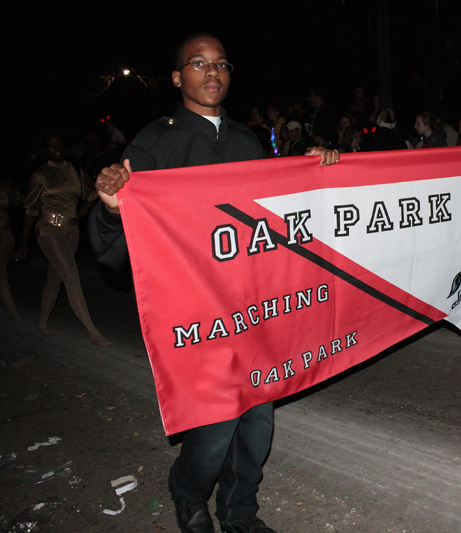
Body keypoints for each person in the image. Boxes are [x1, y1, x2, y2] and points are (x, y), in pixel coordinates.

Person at [91, 34, 339, 533]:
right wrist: (112, 210)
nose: (212, 72)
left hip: (254, 307)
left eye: (221, 63)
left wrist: (316, 169)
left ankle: (239, 513)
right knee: (214, 425)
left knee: (258, 422)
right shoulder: (154, 141)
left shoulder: (249, 142)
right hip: (195, 314)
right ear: (178, 77)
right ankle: (188, 496)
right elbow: (113, 251)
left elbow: (281, 215)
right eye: (198, 63)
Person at [13, 135, 108, 345]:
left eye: (59, 144)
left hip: (71, 231)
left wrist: (78, 217)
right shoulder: (41, 174)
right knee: (72, 277)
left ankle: (42, 322)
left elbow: (91, 196)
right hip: (49, 230)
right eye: (51, 145)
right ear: (45, 149)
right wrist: (23, 241)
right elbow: (32, 210)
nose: (56, 148)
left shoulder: (74, 169)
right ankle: (93, 332)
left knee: (55, 279)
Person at [1, 178, 23, 320]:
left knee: (3, 268)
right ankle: (12, 310)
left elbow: (17, 200)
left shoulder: (3, 185)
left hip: (5, 234)